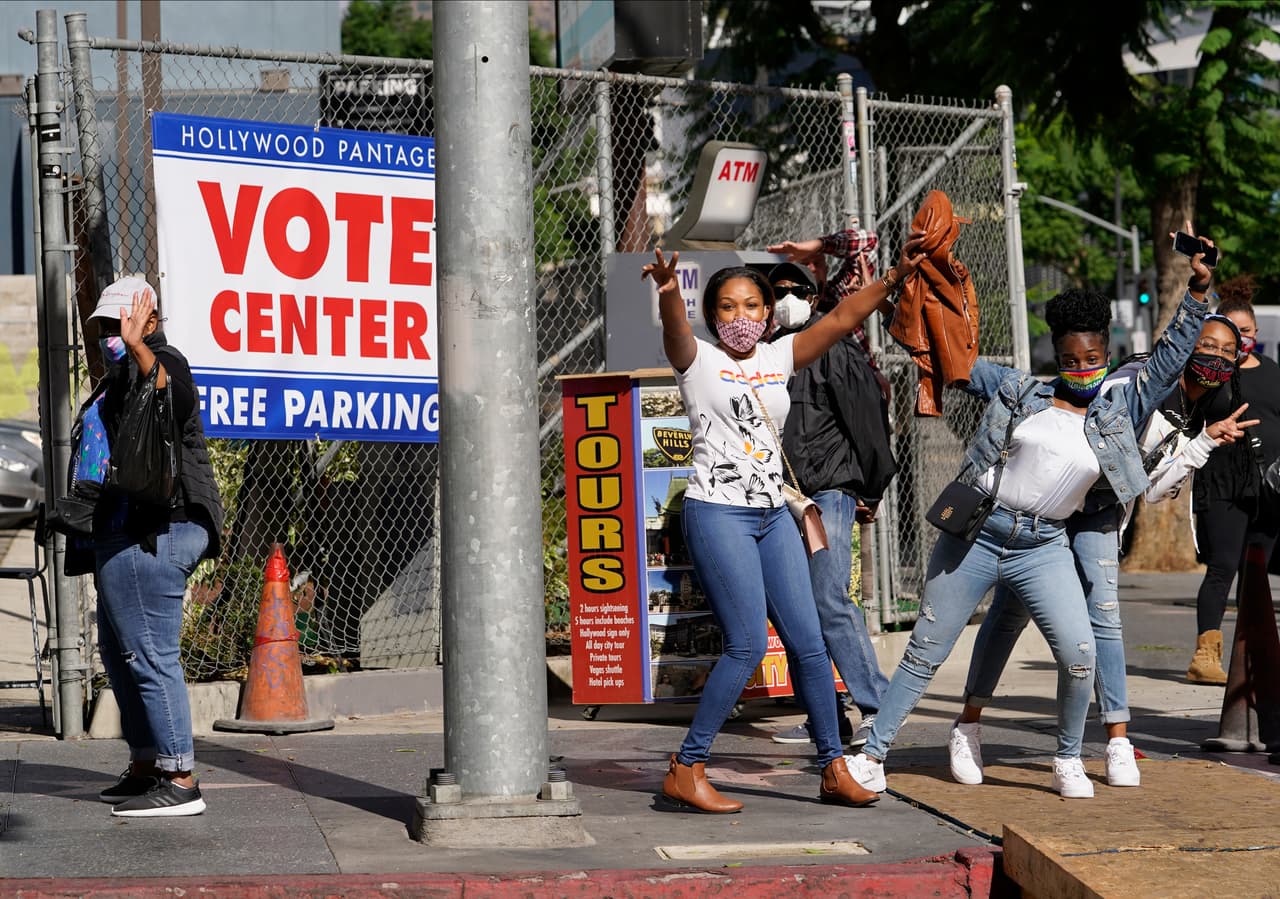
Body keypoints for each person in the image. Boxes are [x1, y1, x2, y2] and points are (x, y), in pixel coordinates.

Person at [845, 241, 1214, 799]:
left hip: (1043, 546)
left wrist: (1199, 291)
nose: (1083, 369)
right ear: (1055, 356)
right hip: (979, 535)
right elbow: (957, 365)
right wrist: (914, 291)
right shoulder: (1021, 389)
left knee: (1080, 652)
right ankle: (873, 756)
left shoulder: (1124, 406)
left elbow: (1170, 356)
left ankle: (1067, 758)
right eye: (1070, 360)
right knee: (927, 649)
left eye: (1092, 358)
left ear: (1107, 352)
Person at [640, 234, 923, 812]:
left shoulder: (780, 355)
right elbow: (674, 330)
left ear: (768, 313)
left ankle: (831, 767)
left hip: (774, 515)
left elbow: (844, 315)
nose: (739, 317)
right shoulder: (699, 359)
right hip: (719, 513)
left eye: (750, 306)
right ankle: (687, 767)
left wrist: (892, 277)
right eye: (727, 307)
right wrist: (670, 293)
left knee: (810, 645)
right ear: (711, 315)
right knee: (744, 646)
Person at [947, 313, 1257, 787]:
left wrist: (1202, 444)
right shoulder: (1141, 382)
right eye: (1205, 345)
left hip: (1097, 513)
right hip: (1052, 504)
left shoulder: (1202, 407)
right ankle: (968, 724)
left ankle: (1116, 741)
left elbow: (1150, 489)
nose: (1213, 357)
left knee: (1105, 614)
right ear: (1185, 347)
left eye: (1224, 351)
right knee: (1008, 614)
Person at [64, 276, 225, 817]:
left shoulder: (163, 361)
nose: (113, 334)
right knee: (120, 653)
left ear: (149, 321)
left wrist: (138, 347)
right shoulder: (115, 379)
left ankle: (180, 777)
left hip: (156, 530)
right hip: (119, 533)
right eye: (107, 326)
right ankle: (147, 764)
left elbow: (174, 398)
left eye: (123, 324)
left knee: (150, 654)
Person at [764, 257, 894, 750]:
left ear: (815, 297)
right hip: (777, 497)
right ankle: (826, 717)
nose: (786, 299)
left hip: (827, 492)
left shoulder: (834, 351)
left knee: (829, 600)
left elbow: (868, 422)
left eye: (796, 290)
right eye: (776, 292)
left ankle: (880, 710)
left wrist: (870, 489)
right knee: (791, 609)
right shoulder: (768, 353)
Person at [1186, 280, 1280, 682]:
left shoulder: (1274, 371)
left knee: (1256, 572)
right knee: (1222, 567)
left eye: (1250, 333)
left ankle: (1252, 656)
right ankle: (1205, 659)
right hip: (1222, 483)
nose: (1245, 339)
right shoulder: (1210, 374)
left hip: (1268, 490)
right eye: (1237, 333)